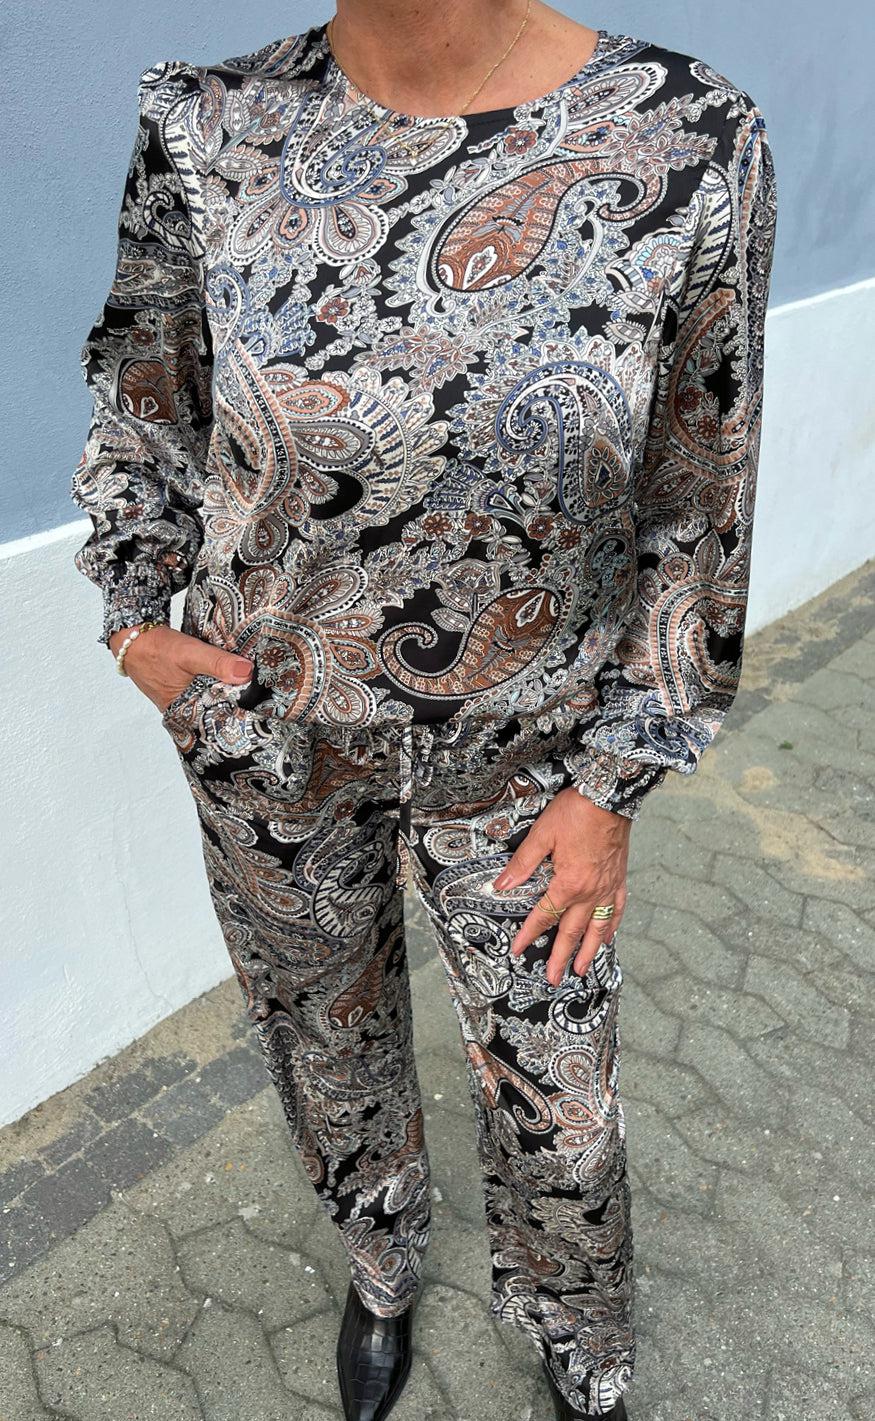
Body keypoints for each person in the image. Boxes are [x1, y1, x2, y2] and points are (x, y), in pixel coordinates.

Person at [69, 2, 778, 1416]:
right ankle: (381, 1260)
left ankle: (579, 1343)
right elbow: (148, 396)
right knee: (325, 1046)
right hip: (269, 733)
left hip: (532, 764)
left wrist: (615, 780)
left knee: (563, 1112)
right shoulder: (212, 128)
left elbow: (700, 497)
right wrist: (136, 619)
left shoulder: (690, 140)